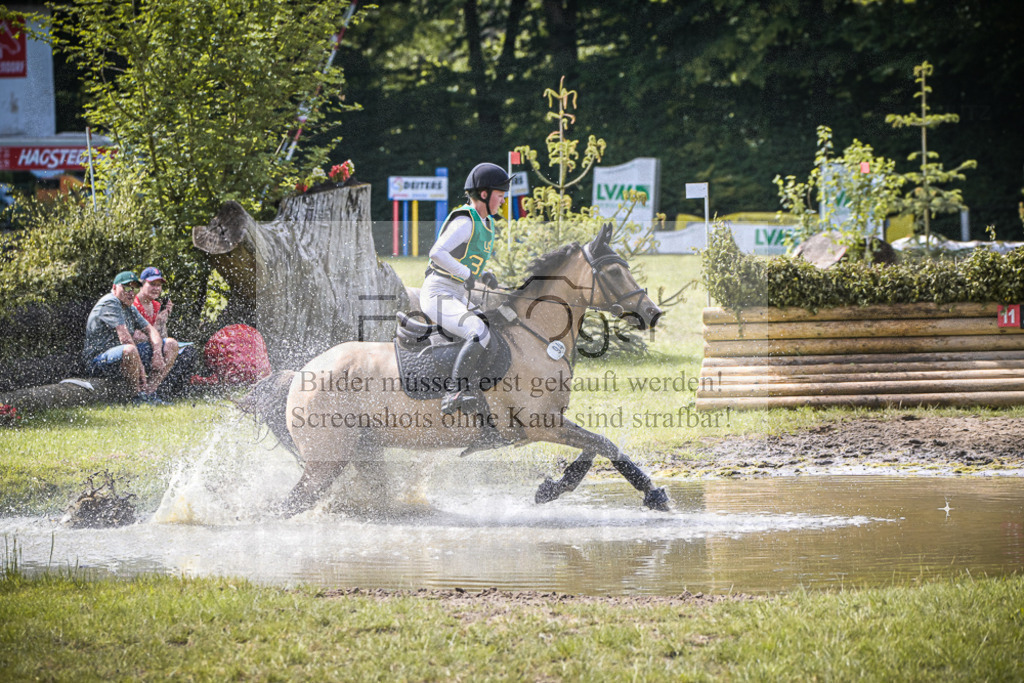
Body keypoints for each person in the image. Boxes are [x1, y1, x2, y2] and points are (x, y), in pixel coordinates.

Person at [420, 162, 509, 414]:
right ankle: (453, 393)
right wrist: (467, 274)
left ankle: (476, 387)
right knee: (478, 332)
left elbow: (465, 259)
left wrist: (483, 274)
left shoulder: (485, 222)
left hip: (455, 293)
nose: (503, 201)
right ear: (484, 194)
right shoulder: (466, 221)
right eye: (500, 195)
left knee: (491, 328)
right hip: (438, 292)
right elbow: (437, 252)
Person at [82, 270, 179, 404]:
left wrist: (157, 353)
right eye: (127, 287)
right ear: (114, 287)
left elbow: (151, 331)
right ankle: (136, 396)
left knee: (171, 344)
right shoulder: (110, 302)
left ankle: (149, 393)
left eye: (134, 288)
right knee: (130, 349)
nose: (131, 292)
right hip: (98, 361)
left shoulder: (129, 307)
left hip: (123, 357)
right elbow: (125, 338)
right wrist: (141, 368)